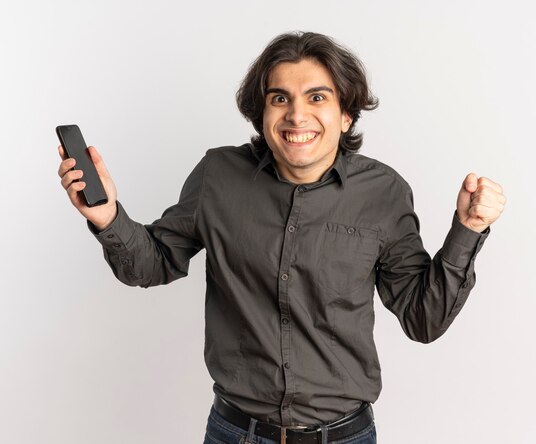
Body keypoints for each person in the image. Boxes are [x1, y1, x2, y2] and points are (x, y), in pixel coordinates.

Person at [57, 31, 506, 444]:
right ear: (262, 113)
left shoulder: (384, 193)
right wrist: (107, 216)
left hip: (345, 436)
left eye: (317, 97)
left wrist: (466, 231)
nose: (296, 114)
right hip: (236, 433)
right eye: (280, 98)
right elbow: (151, 264)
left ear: (346, 114)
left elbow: (422, 318)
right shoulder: (218, 176)